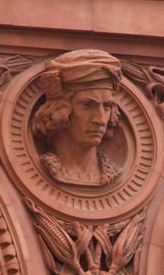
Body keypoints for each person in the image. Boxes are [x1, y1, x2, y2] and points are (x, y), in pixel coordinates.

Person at [31, 50, 123, 187]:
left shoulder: (111, 172)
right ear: (59, 109)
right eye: (88, 105)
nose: (101, 120)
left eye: (107, 106)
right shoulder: (44, 167)